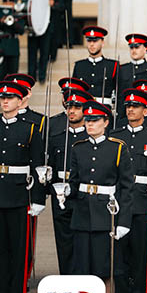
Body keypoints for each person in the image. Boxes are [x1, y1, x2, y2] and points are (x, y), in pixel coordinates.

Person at [67, 100, 133, 293]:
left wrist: (123, 220)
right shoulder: (78, 147)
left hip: (107, 216)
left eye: (95, 120)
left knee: (105, 273)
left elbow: (126, 188)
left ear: (106, 123)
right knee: (83, 272)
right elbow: (75, 182)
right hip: (83, 215)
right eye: (88, 120)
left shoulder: (118, 148)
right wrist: (65, 192)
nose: (90, 124)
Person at [109, 89, 147, 293]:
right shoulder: (115, 134)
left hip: (143, 199)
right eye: (128, 106)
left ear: (146, 109)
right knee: (119, 252)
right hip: (120, 200)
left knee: (140, 252)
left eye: (136, 106)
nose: (130, 109)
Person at [0, 82, 46, 293]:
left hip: (19, 193)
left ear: (20, 100)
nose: (5, 102)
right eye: (3, 98)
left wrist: (38, 199)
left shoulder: (31, 128)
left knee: (19, 246)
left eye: (11, 98)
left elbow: (38, 167)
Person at [47, 88, 91, 275]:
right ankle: (66, 278)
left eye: (77, 107)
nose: (71, 111)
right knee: (63, 242)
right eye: (69, 106)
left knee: (83, 241)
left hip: (82, 193)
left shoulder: (90, 139)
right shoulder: (57, 138)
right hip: (61, 192)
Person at [28, 0, 64, 83]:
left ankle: (42, 75)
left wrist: (53, 3)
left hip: (46, 25)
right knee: (32, 52)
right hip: (33, 25)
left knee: (44, 52)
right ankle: (31, 76)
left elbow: (61, 6)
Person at [72, 26, 119, 107]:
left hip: (104, 108)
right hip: (83, 108)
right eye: (89, 40)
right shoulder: (79, 66)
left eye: (95, 41)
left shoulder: (112, 65)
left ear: (103, 42)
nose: (92, 44)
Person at [117, 34, 147, 115]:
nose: (134, 50)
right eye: (131, 47)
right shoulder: (121, 69)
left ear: (145, 49)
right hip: (124, 113)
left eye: (137, 47)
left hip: (143, 112)